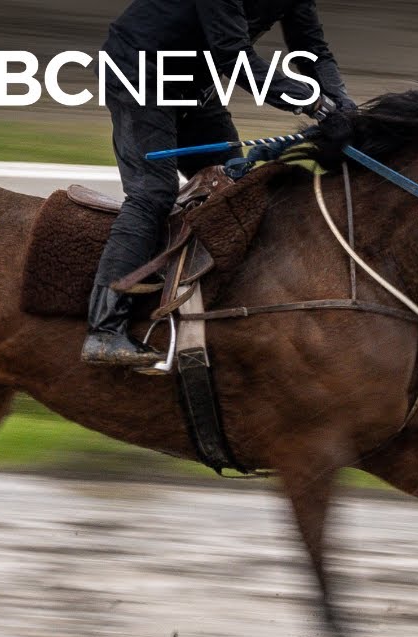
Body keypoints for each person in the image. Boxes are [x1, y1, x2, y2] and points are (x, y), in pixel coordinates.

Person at [83, 0, 356, 367]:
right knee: (153, 193)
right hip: (137, 70)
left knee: (237, 185)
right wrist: (313, 103)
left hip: (195, 82)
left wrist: (343, 103)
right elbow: (233, 54)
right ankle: (103, 331)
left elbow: (313, 51)